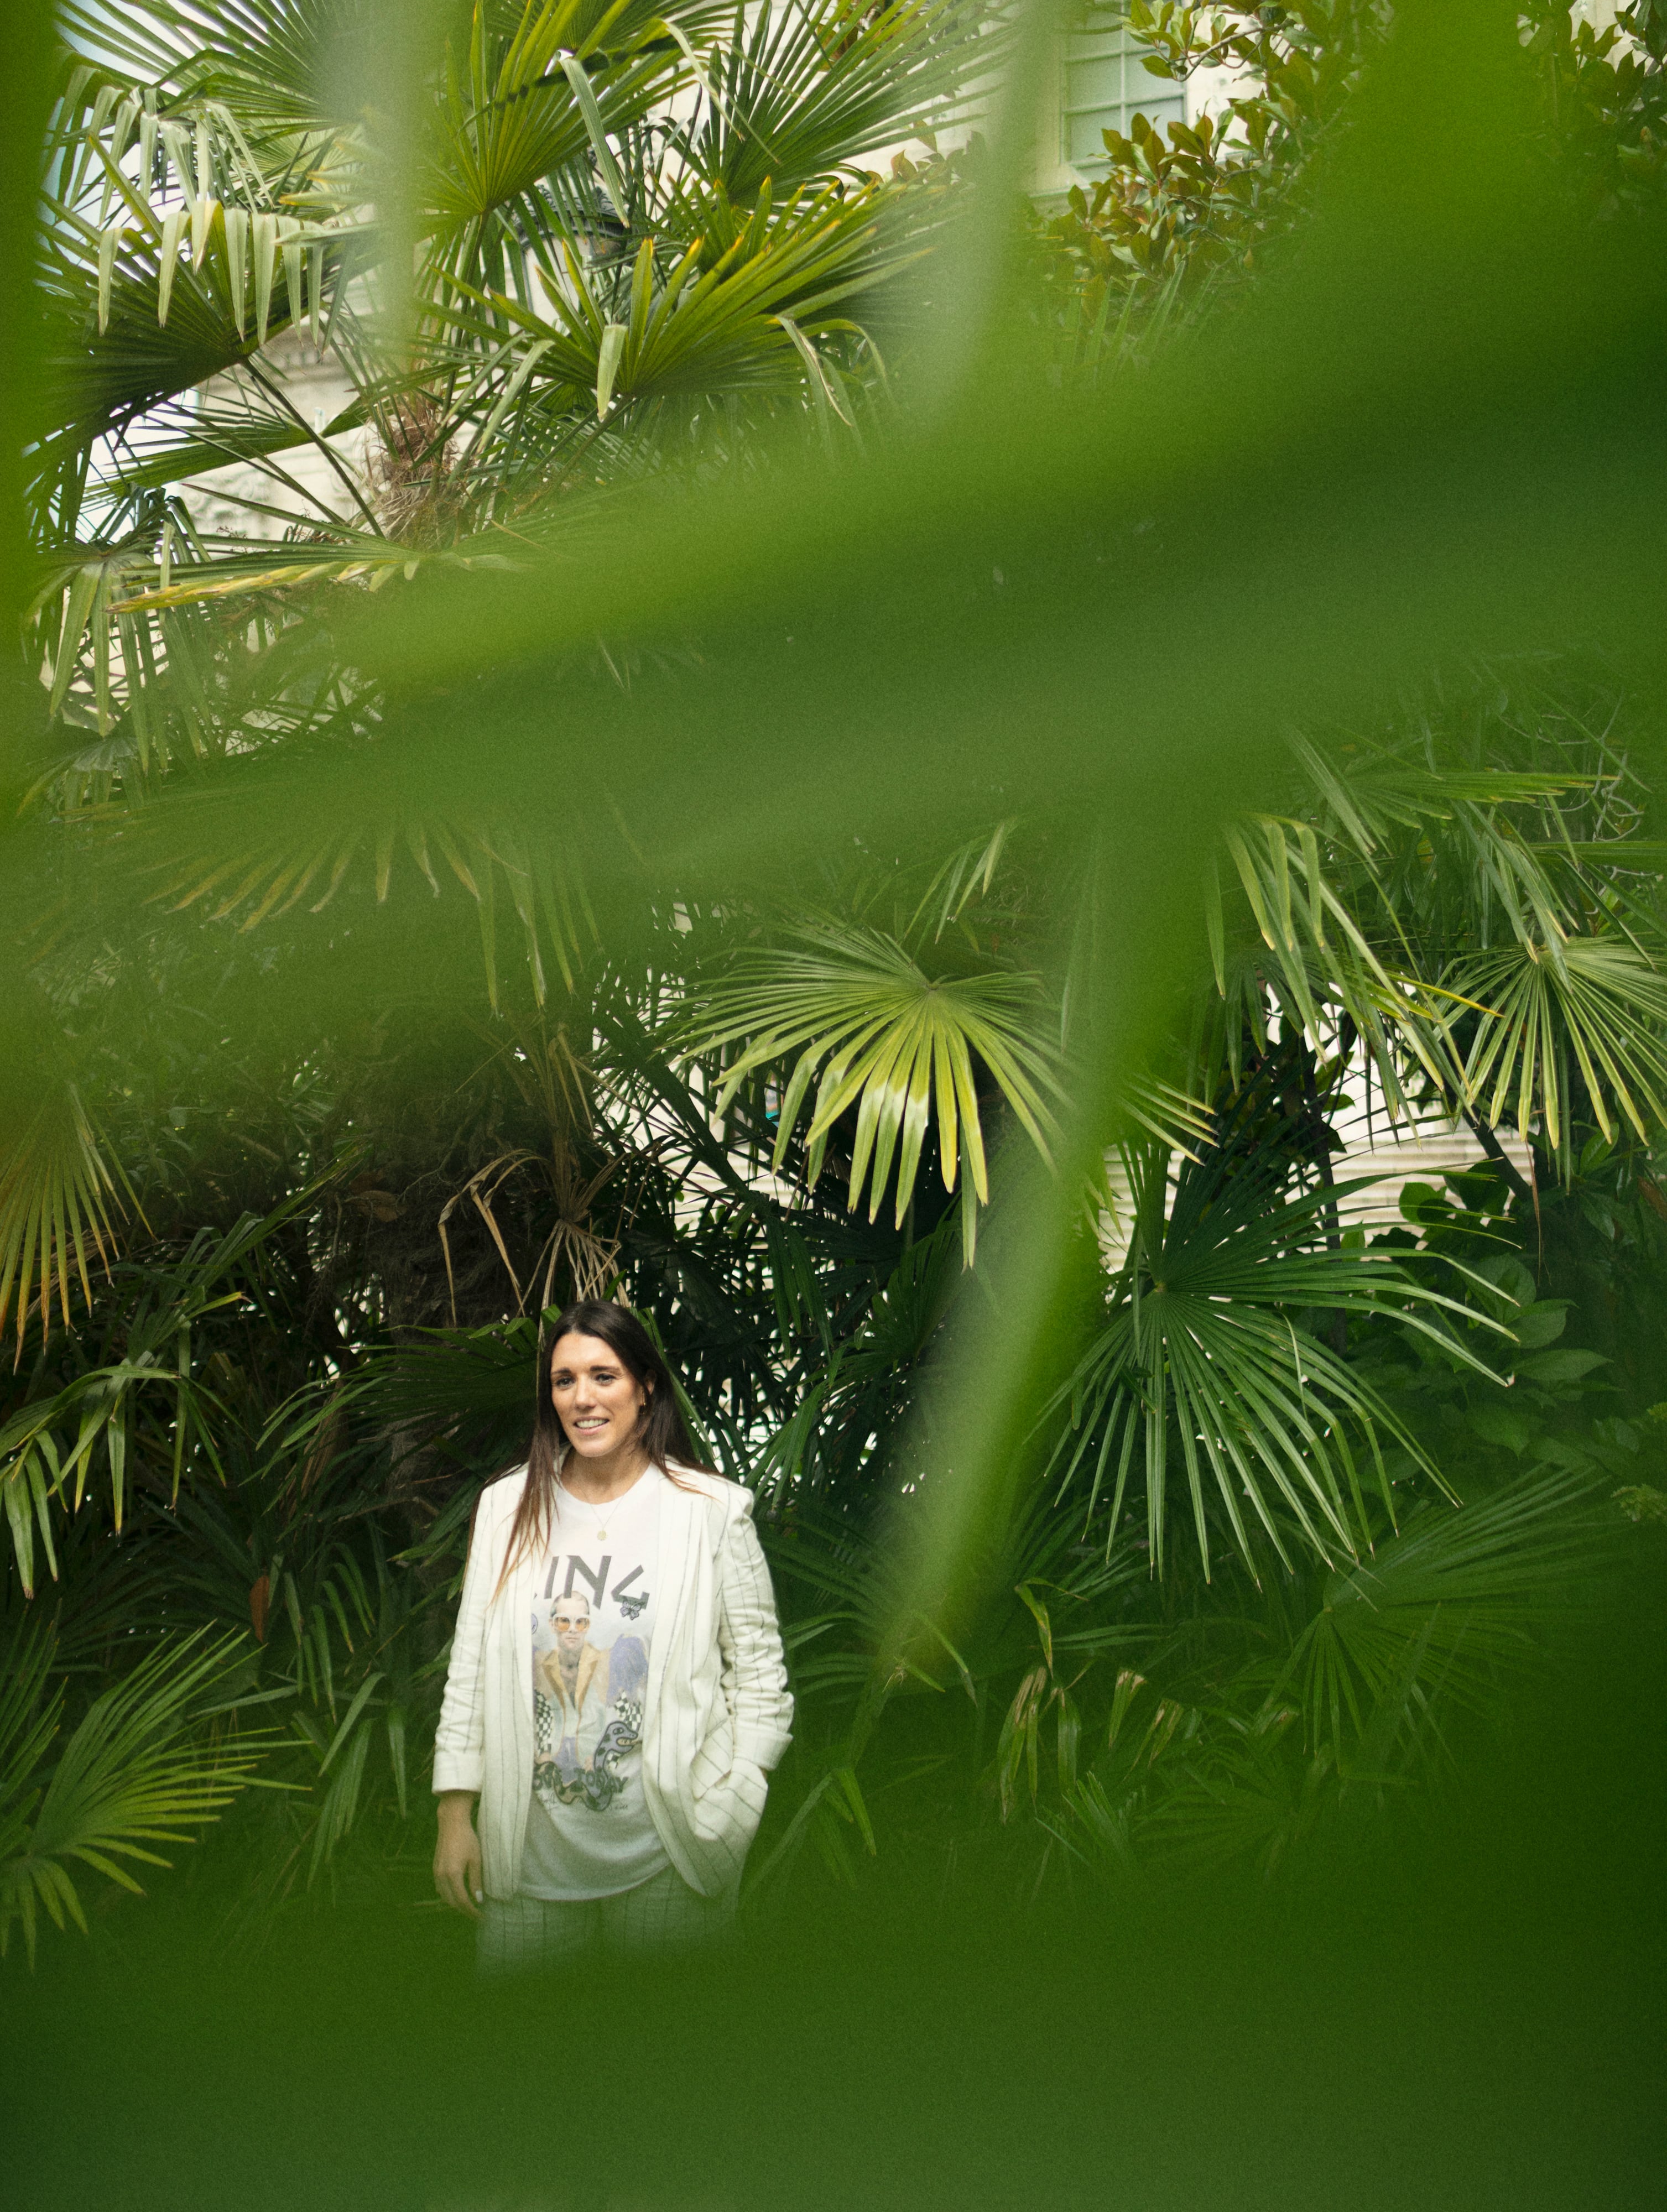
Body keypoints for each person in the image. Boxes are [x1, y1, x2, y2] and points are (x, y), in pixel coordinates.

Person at [433, 1300, 793, 1971]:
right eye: (564, 1380)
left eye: (604, 1376)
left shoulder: (709, 1511)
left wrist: (738, 1796)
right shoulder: (505, 1508)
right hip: (528, 1858)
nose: (582, 1398)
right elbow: (472, 1667)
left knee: (665, 2062)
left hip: (671, 1852)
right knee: (520, 2061)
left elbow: (759, 1672)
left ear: (644, 1386)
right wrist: (456, 1812)